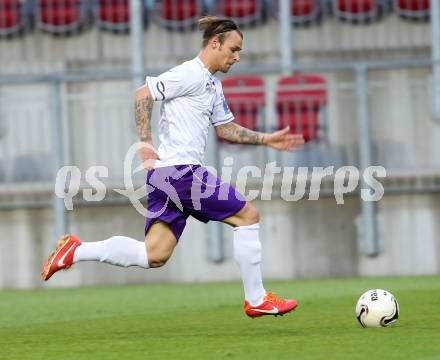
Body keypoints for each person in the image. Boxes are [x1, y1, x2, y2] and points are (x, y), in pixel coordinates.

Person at [41, 16, 304, 318]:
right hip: (181, 173)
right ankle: (256, 299)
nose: (237, 57)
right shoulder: (189, 74)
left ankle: (75, 250)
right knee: (248, 216)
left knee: (154, 254)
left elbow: (226, 129)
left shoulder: (212, 86)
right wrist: (145, 143)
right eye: (233, 49)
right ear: (214, 43)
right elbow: (144, 93)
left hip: (166, 177)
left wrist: (267, 139)